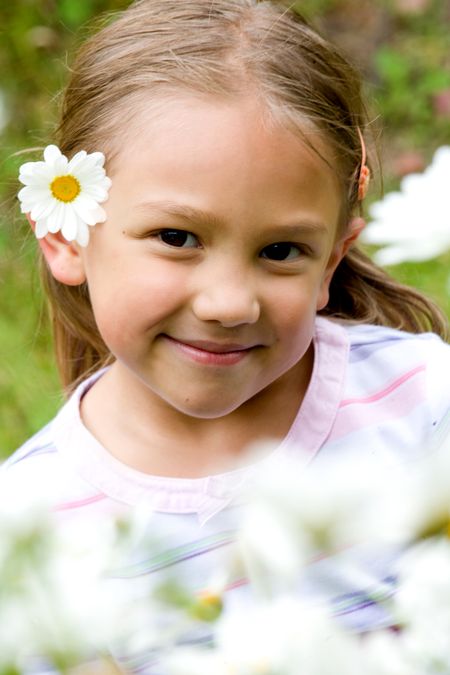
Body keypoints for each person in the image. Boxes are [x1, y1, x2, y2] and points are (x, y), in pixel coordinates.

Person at [2, 0, 450, 669]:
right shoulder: (31, 526)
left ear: (333, 257)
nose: (228, 303)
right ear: (67, 234)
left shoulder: (422, 405)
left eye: (280, 251)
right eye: (177, 238)